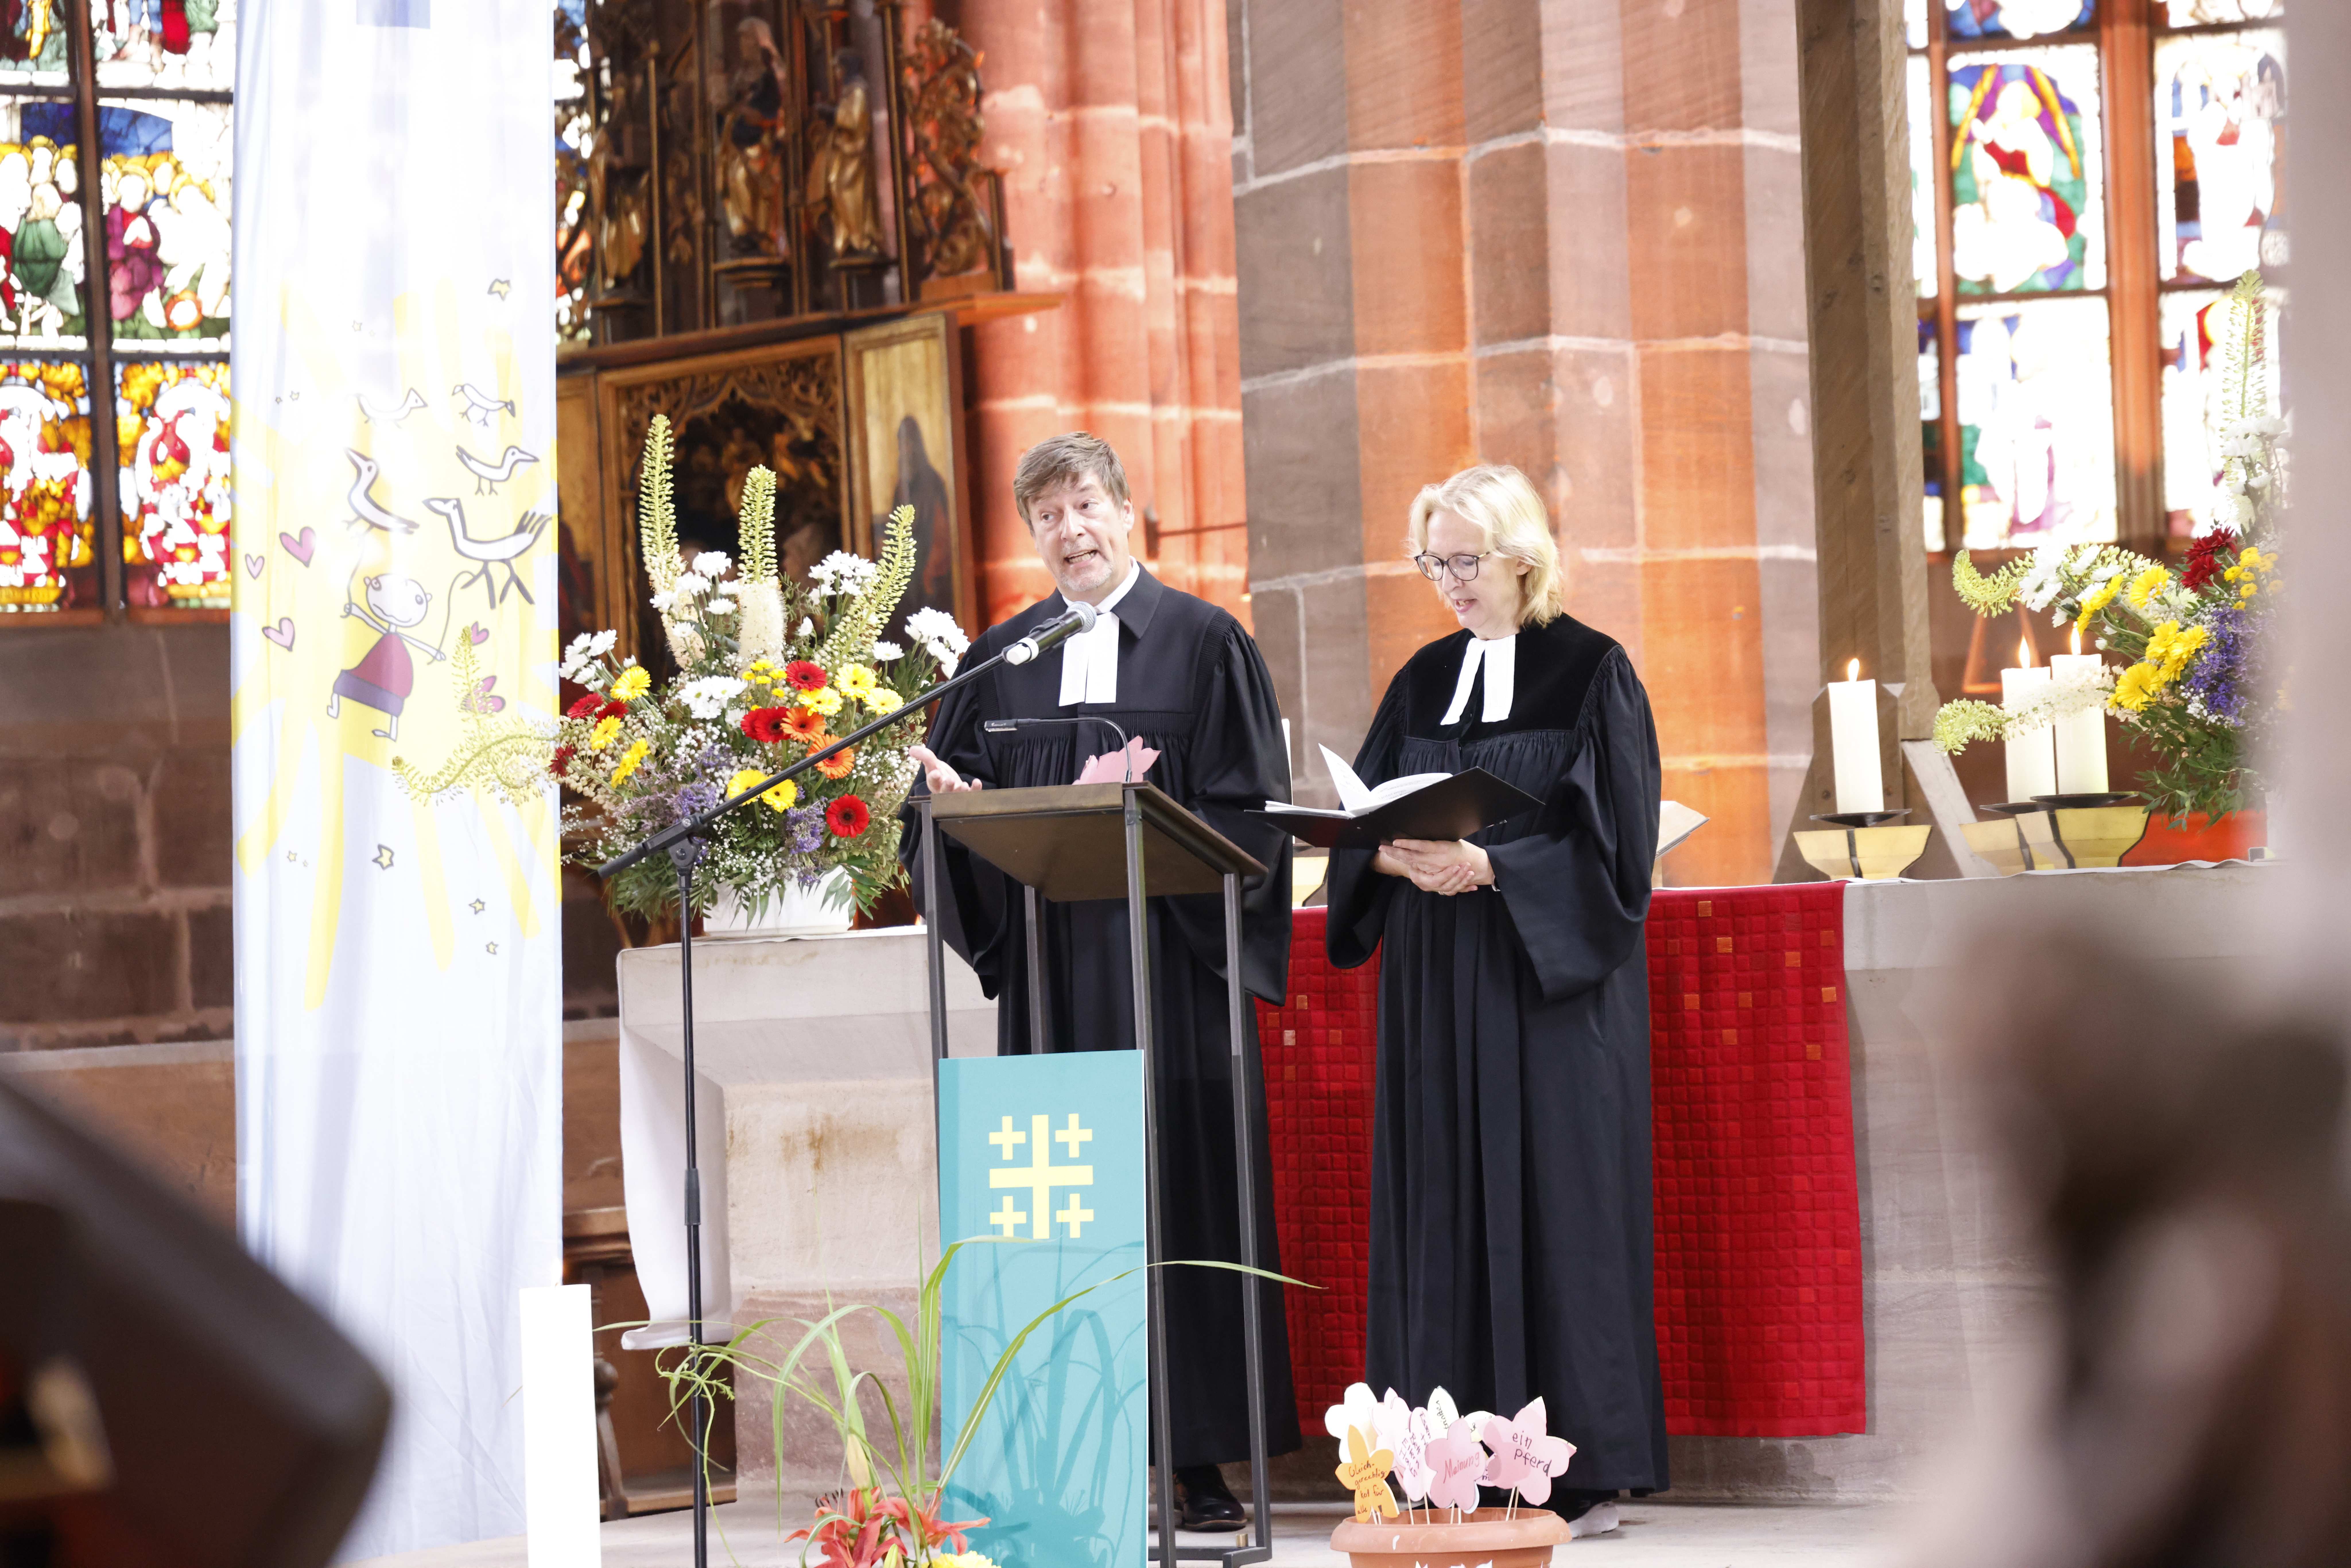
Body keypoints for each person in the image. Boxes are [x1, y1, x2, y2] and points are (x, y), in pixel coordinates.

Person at [902, 431, 1301, 1530]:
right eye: (1046, 517)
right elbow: (954, 811)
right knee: (1056, 1203)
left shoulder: (1206, 644)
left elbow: (1251, 812)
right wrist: (938, 798)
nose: (1069, 531)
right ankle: (1063, 1452)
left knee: (1177, 1193)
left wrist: (1148, 830)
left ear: (1126, 511)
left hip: (1169, 978)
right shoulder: (1003, 660)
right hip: (1048, 982)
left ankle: (1199, 1460)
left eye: (1085, 506)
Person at [1324, 464, 1665, 1537]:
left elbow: (1617, 850)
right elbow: (1360, 821)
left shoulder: (1592, 671)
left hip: (1545, 994)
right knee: (1443, 1197)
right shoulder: (1422, 679)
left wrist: (1493, 868)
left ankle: (1581, 1468)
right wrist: (1389, 864)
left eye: (1463, 560)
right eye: (1434, 562)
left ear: (1522, 552)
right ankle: (1444, 1455)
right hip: (1434, 986)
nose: (1448, 583)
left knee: (1556, 1201)